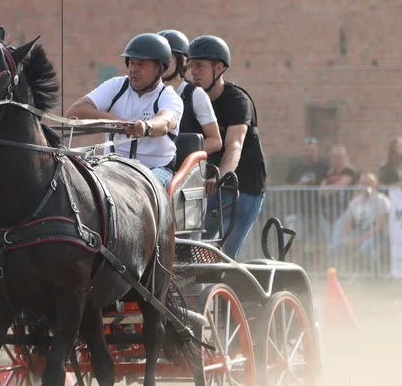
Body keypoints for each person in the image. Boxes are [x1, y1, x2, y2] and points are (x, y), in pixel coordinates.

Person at [66, 33, 183, 190]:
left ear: (160, 68)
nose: (133, 69)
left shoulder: (169, 97)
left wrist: (145, 127)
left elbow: (165, 121)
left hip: (155, 171)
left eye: (141, 64)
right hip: (111, 167)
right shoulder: (116, 86)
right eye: (131, 63)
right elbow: (76, 111)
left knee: (142, 190)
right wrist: (116, 122)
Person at [188, 35, 267, 260]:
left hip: (245, 190)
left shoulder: (237, 101)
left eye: (200, 66)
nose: (193, 71)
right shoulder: (193, 102)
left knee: (224, 256)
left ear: (219, 67)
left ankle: (224, 291)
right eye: (191, 66)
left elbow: (234, 145)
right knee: (190, 250)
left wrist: (221, 178)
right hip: (210, 188)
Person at [158, 29, 221, 158]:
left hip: (183, 170)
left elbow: (215, 141)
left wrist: (179, 154)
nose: (161, 62)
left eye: (167, 57)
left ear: (182, 60)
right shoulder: (146, 93)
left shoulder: (195, 94)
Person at [332, 172, 390, 269]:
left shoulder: (382, 200)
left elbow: (379, 227)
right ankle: (341, 272)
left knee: (364, 248)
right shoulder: (355, 201)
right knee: (336, 247)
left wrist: (359, 240)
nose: (365, 186)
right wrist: (346, 238)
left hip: (377, 236)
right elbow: (347, 221)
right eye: (363, 183)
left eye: (369, 183)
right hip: (359, 233)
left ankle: (364, 274)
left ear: (375, 184)